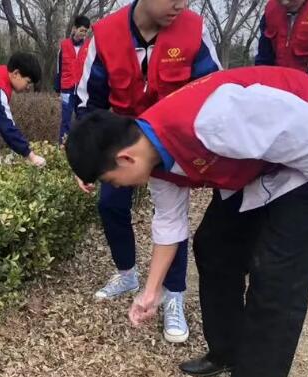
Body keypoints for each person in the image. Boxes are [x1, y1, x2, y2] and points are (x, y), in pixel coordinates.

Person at [65, 66, 308, 377]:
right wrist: (151, 293)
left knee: (276, 275)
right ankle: (227, 350)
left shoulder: (214, 118)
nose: (116, 187)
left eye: (110, 180)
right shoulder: (153, 157)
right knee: (213, 246)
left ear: (125, 159)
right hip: (265, 164)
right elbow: (169, 225)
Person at [75, 0, 221, 343]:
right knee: (109, 204)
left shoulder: (195, 30)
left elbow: (211, 92)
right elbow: (89, 102)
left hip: (173, 145)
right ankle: (126, 273)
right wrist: (85, 159)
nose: (180, 5)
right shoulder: (106, 33)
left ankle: (174, 296)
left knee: (172, 218)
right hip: (124, 143)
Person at [54, 15, 91, 143]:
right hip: (67, 89)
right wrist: (58, 89)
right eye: (82, 30)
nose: (83, 34)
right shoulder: (64, 46)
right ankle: (62, 147)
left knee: (82, 119)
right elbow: (59, 68)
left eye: (86, 31)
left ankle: (81, 147)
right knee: (66, 120)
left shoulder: (88, 47)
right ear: (74, 29)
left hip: (82, 90)